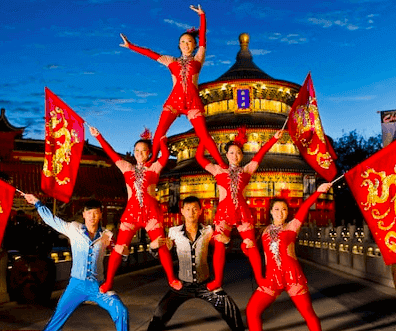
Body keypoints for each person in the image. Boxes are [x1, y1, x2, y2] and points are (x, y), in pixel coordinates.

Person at [19, 195, 136, 331]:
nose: (92, 216)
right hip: (76, 285)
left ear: (101, 215)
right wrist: (37, 203)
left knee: (121, 310)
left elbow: (120, 253)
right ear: (84, 214)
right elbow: (52, 220)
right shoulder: (73, 228)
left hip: (98, 286)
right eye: (89, 213)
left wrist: (124, 251)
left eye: (96, 213)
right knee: (58, 316)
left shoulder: (106, 235)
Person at [137, 196, 253, 331]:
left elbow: (222, 248)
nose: (191, 212)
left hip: (205, 284)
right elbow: (164, 251)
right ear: (182, 211)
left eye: (194, 209)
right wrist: (153, 247)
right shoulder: (174, 232)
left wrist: (228, 242)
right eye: (187, 209)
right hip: (181, 285)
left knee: (231, 309)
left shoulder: (208, 231)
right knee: (160, 313)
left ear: (200, 211)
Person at [120, 4, 226, 168]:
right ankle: (151, 160)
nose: (186, 44)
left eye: (189, 42)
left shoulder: (198, 59)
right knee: (160, 131)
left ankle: (221, 164)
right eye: (182, 42)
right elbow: (151, 53)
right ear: (178, 45)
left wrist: (202, 16)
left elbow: (203, 37)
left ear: (194, 45)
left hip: (192, 103)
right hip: (174, 102)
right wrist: (131, 46)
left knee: (204, 135)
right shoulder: (172, 61)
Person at [240, 183, 333, 331]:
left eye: (284, 209)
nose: (280, 212)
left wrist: (318, 191)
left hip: (293, 277)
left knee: (308, 313)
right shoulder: (263, 231)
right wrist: (245, 246)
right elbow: (252, 251)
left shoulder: (292, 226)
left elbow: (305, 207)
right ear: (270, 211)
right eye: (276, 209)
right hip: (272, 279)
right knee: (252, 311)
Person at [88, 126, 182, 293]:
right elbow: (111, 153)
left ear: (149, 153)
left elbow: (166, 156)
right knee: (118, 248)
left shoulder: (154, 168)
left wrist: (162, 140)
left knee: (160, 245)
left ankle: (171, 278)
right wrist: (98, 136)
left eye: (143, 151)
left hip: (151, 215)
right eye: (136, 150)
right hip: (131, 215)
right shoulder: (126, 167)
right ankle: (109, 282)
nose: (139, 153)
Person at [196, 128, 283, 291]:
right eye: (231, 153)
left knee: (251, 245)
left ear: (242, 156)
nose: (235, 156)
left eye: (238, 153)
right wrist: (203, 138)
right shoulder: (217, 169)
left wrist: (274, 139)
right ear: (226, 155)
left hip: (243, 212)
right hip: (223, 213)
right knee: (220, 246)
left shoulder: (247, 170)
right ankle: (217, 281)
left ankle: (260, 279)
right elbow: (199, 158)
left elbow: (260, 155)